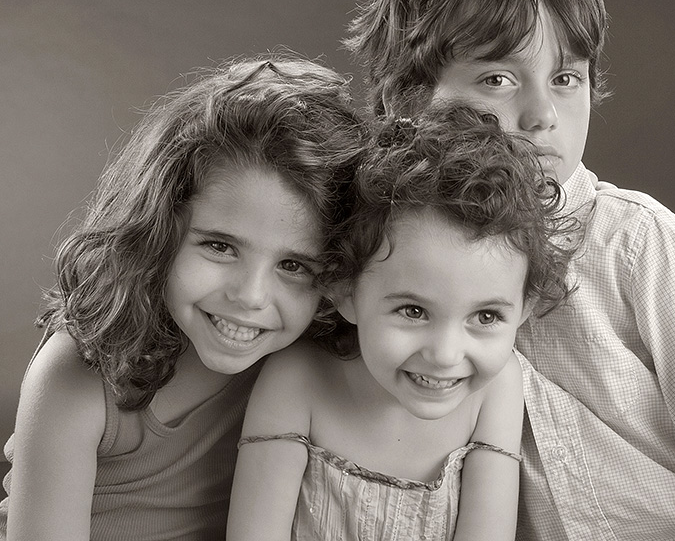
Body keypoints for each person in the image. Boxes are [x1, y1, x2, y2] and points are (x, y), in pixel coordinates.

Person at [345, 0, 675, 540]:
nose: (542, 114)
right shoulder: (382, 254)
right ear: (405, 98)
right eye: (498, 79)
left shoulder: (632, 244)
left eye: (566, 78)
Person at [0, 55, 366, 541]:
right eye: (220, 247)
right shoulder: (79, 374)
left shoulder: (309, 362)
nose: (250, 296)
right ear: (159, 230)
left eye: (293, 266)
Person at [226, 103, 575, 541]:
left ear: (523, 309)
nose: (445, 354)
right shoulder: (297, 377)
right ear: (344, 291)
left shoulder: (496, 389)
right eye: (413, 311)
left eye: (486, 316)